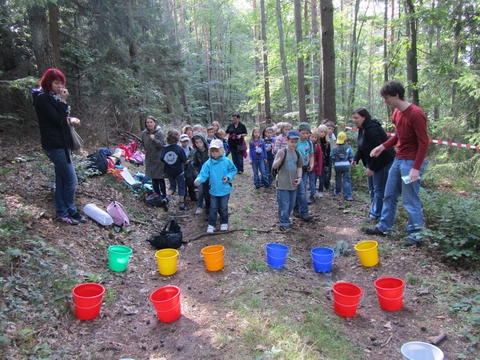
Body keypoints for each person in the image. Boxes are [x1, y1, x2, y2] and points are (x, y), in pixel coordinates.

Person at [365, 81, 429, 246]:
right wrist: (382, 146)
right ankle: (385, 226)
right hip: (399, 160)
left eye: (387, 98)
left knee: (409, 199)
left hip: (411, 163)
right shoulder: (397, 114)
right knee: (389, 194)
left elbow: (424, 142)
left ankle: (416, 235)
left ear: (396, 95)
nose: (385, 101)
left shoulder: (416, 113)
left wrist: (415, 168)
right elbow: (398, 136)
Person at [31, 68, 86, 225]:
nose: (60, 87)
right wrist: (63, 102)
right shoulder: (42, 99)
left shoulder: (54, 99)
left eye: (61, 83)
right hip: (54, 145)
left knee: (61, 179)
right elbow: (56, 120)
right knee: (71, 179)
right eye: (56, 83)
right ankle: (70, 208)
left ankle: (63, 212)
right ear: (48, 83)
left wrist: (70, 118)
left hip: (63, 143)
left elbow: (61, 120)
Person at [351, 107, 395, 222]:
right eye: (353, 118)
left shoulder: (372, 130)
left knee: (378, 189)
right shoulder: (361, 129)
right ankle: (374, 211)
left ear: (364, 117)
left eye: (356, 118)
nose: (354, 120)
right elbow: (362, 146)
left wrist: (372, 168)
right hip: (371, 162)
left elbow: (378, 152)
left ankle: (376, 215)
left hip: (383, 162)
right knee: (371, 188)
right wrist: (356, 158)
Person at [194, 139, 237, 233]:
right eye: (212, 151)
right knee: (213, 208)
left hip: (225, 189)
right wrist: (199, 180)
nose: (214, 153)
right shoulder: (208, 163)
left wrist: (228, 177)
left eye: (216, 151)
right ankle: (211, 224)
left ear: (221, 151)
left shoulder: (226, 161)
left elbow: (233, 170)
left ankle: (224, 222)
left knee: (223, 207)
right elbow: (203, 174)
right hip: (213, 190)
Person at [272, 130, 303, 232]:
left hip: (293, 184)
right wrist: (280, 159)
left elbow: (299, 166)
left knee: (291, 204)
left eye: (295, 142)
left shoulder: (297, 154)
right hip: (282, 184)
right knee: (284, 204)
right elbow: (274, 166)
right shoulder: (282, 152)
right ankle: (283, 223)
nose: (294, 144)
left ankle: (286, 218)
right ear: (287, 140)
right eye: (292, 141)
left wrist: (299, 178)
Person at [160, 129, 188, 212]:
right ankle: (182, 205)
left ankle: (167, 198)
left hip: (169, 171)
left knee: (172, 185)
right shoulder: (179, 148)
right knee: (181, 187)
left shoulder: (164, 148)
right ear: (177, 138)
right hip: (179, 171)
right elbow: (184, 159)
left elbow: (162, 158)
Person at [141, 115, 167, 203]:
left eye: (151, 122)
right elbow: (142, 143)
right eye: (147, 122)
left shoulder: (159, 133)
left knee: (160, 178)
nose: (149, 124)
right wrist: (143, 149)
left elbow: (163, 145)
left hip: (158, 159)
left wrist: (154, 140)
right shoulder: (144, 133)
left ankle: (164, 196)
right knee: (153, 178)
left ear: (154, 123)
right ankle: (157, 195)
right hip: (149, 159)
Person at [293, 122, 314, 221]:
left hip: (305, 169)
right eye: (304, 133)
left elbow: (311, 155)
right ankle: (304, 212)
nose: (306, 135)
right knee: (301, 191)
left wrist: (311, 164)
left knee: (301, 190)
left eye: (307, 133)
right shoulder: (295, 143)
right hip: (296, 169)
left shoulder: (309, 143)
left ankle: (296, 209)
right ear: (299, 132)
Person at [331, 132, 354, 201]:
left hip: (337, 165)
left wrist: (334, 162)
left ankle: (337, 191)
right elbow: (351, 156)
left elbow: (332, 156)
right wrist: (351, 162)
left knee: (338, 178)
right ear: (345, 140)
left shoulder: (334, 148)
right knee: (346, 180)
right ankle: (348, 195)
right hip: (346, 165)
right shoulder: (348, 147)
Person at [191, 132, 210, 216]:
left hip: (211, 174)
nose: (199, 144)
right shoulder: (196, 153)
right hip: (201, 175)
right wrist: (197, 174)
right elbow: (194, 165)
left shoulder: (210, 151)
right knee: (202, 190)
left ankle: (212, 207)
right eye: (196, 142)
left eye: (200, 142)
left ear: (204, 141)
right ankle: (200, 206)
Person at [180, 134, 197, 202]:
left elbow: (193, 157)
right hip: (181, 168)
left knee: (191, 183)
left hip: (190, 168)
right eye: (184, 141)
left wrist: (189, 160)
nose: (185, 143)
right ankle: (183, 197)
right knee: (183, 183)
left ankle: (193, 196)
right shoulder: (179, 149)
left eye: (186, 141)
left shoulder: (190, 149)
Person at [307, 129, 323, 203]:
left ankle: (312, 195)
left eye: (315, 137)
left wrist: (319, 171)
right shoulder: (306, 145)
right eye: (312, 137)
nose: (313, 139)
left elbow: (320, 160)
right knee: (304, 182)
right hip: (305, 167)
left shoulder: (318, 147)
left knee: (312, 182)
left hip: (314, 168)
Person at [317, 124, 330, 197]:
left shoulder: (327, 143)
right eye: (321, 132)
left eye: (324, 132)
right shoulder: (315, 141)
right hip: (315, 161)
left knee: (321, 177)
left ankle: (321, 190)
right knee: (314, 176)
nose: (322, 133)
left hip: (323, 162)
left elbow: (328, 154)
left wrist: (327, 164)